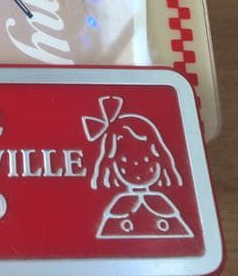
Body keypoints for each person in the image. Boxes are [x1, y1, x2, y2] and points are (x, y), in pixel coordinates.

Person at [83, 96, 193, 239]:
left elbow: (179, 231)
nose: (137, 167)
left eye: (147, 160)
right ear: (112, 165)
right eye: (125, 162)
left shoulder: (161, 203)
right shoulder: (120, 206)